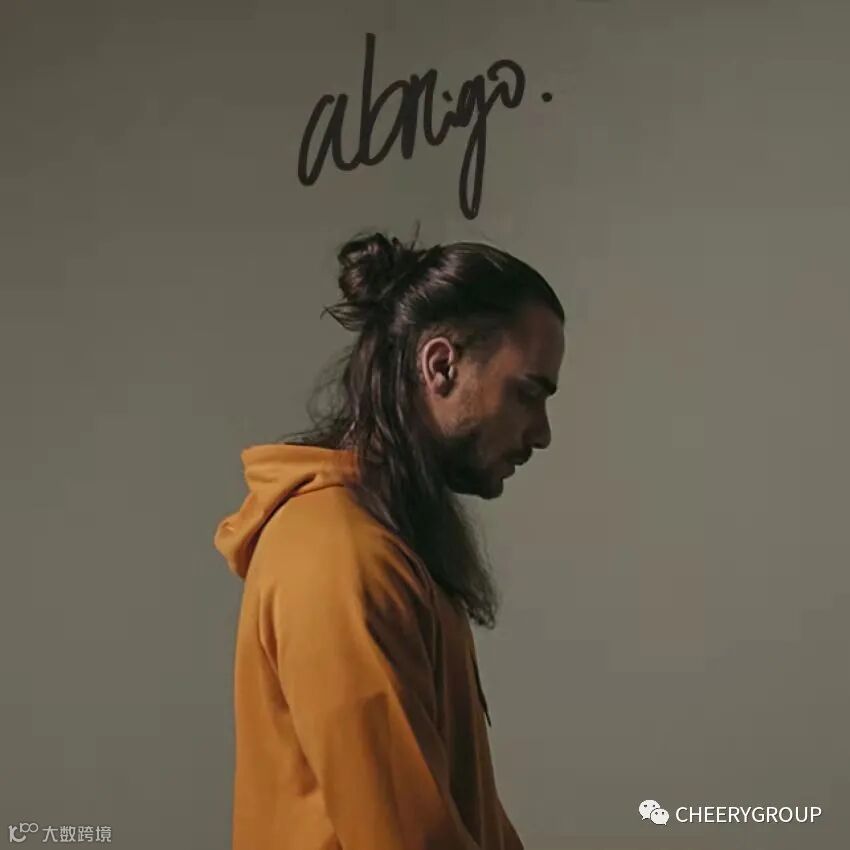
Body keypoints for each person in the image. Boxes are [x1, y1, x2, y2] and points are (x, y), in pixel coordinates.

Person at [213, 229, 566, 850]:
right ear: (440, 366)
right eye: (528, 393)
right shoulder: (342, 558)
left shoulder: (385, 540)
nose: (541, 432)